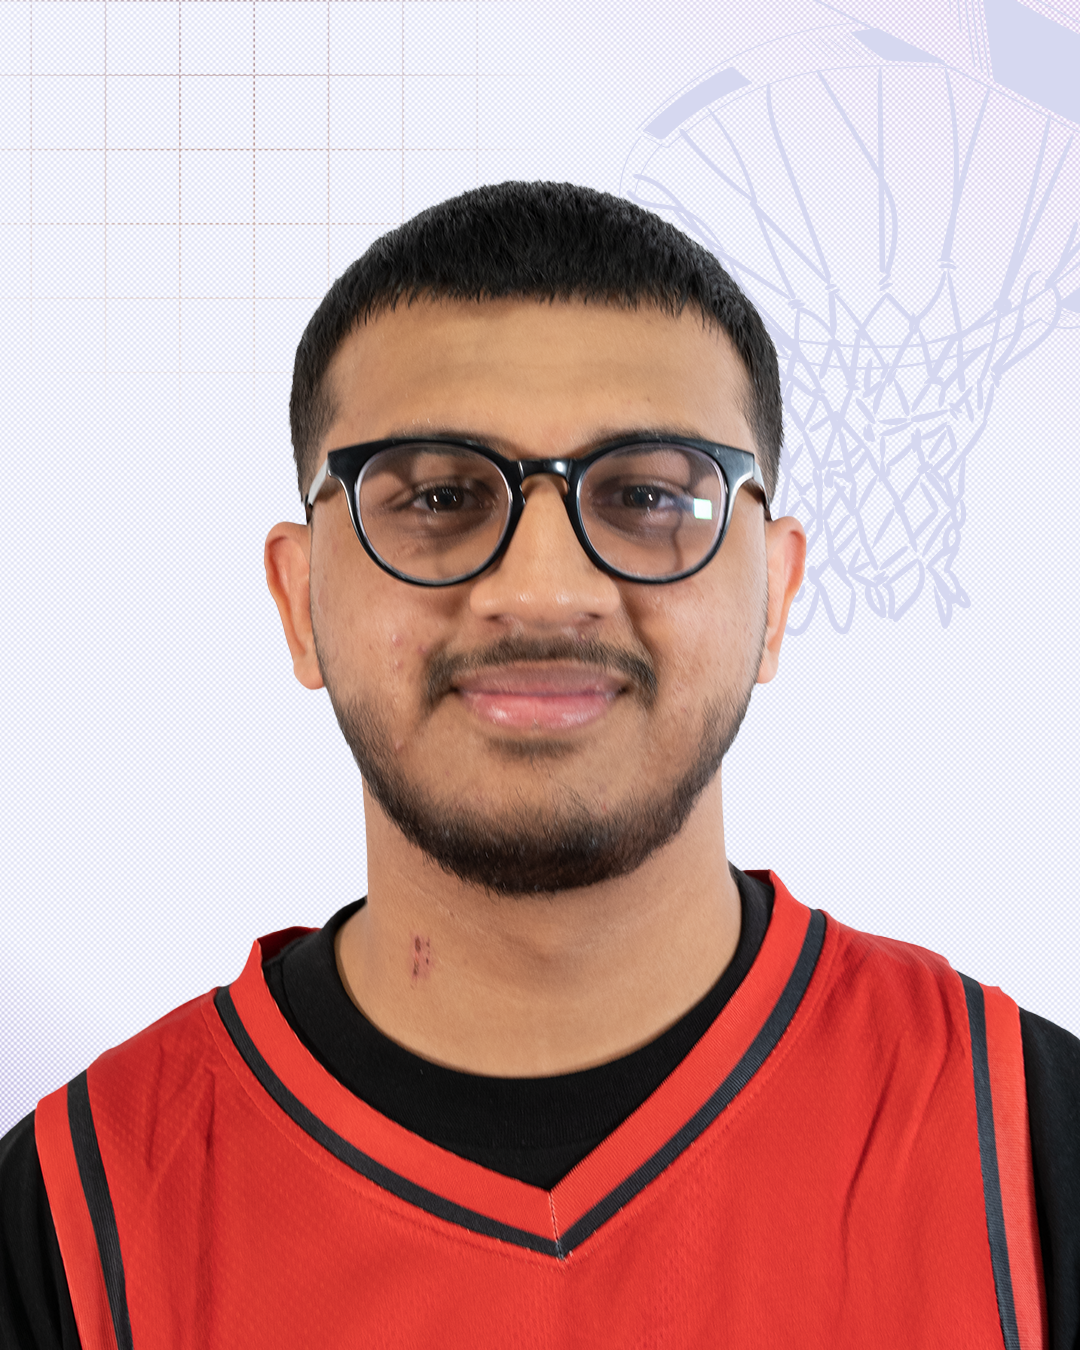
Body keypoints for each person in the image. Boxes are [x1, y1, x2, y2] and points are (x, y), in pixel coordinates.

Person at [1, 181, 1077, 1349]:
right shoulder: (72, 1215)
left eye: (649, 495)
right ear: (299, 601)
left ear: (774, 596)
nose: (546, 591)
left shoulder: (1028, 1138)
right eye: (440, 497)